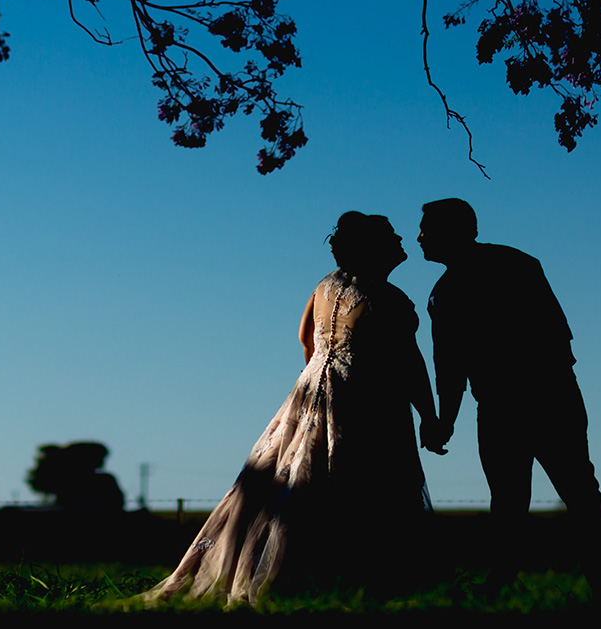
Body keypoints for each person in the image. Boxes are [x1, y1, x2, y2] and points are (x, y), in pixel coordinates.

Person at [147, 212, 443, 606]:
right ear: (375, 249)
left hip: (311, 395)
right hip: (366, 399)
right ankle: (361, 581)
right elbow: (409, 363)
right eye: (391, 236)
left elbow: (305, 337)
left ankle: (290, 576)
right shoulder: (390, 300)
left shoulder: (324, 286)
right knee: (363, 487)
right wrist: (429, 414)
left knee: (296, 483)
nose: (401, 239)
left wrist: (320, 373)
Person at [418, 197, 601, 587]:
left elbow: (451, 368)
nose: (418, 237)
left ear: (452, 232)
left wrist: (446, 421)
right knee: (573, 491)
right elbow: (559, 338)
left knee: (516, 497)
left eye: (427, 229)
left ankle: (508, 580)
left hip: (514, 401)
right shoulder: (517, 264)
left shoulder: (446, 293)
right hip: (541, 395)